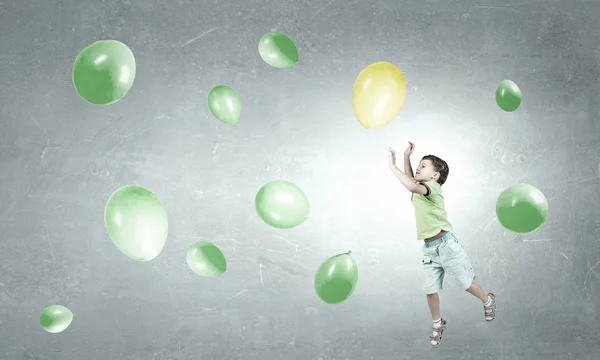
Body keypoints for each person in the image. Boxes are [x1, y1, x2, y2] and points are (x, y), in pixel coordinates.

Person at [387, 141, 497, 347]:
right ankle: (438, 323)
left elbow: (410, 183)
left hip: (447, 246)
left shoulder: (434, 188)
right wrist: (406, 157)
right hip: (429, 249)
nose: (419, 167)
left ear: (435, 176)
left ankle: (488, 300)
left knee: (465, 284)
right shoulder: (419, 190)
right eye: (419, 164)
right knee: (429, 289)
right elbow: (411, 181)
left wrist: (392, 165)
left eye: (424, 165)